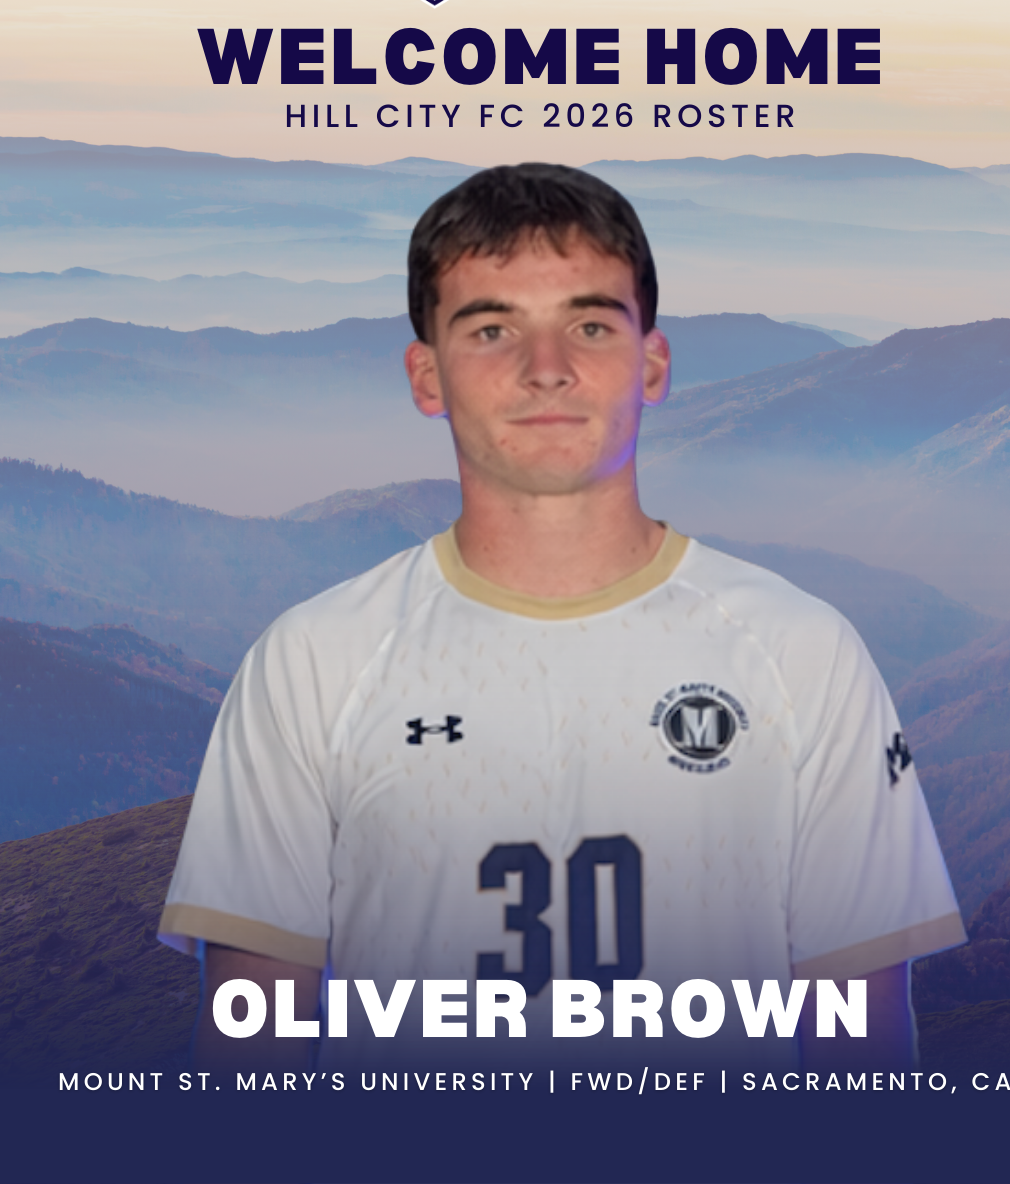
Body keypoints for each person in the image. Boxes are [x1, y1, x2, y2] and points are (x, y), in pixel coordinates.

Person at [159, 162, 964, 1072]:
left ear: (651, 363)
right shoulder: (313, 662)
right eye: (493, 327)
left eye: (588, 324)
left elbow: (864, 1054)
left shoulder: (802, 653)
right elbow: (246, 1053)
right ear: (428, 376)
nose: (547, 369)